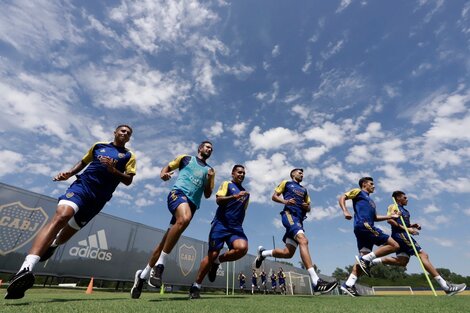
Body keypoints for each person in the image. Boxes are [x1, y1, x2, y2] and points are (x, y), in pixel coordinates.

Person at [5, 125, 136, 300]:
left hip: (98, 199)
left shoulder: (129, 156)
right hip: (82, 187)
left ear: (129, 138)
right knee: (62, 215)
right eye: (122, 131)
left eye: (128, 133)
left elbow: (128, 181)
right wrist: (69, 173)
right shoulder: (99, 146)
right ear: (115, 132)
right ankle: (25, 269)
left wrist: (114, 171)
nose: (125, 134)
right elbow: (83, 162)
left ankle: (53, 245)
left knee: (66, 233)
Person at [131, 141, 215, 299]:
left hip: (192, 204)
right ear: (200, 148)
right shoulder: (185, 158)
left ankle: (142, 276)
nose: (209, 149)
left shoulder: (210, 170)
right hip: (178, 194)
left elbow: (208, 194)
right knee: (185, 218)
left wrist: (209, 180)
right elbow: (167, 167)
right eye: (207, 147)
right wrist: (163, 174)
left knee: (165, 242)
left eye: (211, 149)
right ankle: (160, 265)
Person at [255, 168, 338, 294]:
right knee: (303, 240)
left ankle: (263, 253)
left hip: (299, 221)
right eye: (299, 172)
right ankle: (316, 281)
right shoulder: (286, 183)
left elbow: (309, 207)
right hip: (289, 215)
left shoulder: (304, 190)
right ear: (293, 174)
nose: (302, 174)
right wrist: (285, 201)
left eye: (302, 173)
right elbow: (274, 196)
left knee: (287, 253)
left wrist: (307, 207)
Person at [370, 190, 466, 296]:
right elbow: (390, 221)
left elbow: (402, 222)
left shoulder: (405, 211)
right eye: (405, 197)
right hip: (401, 235)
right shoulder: (393, 206)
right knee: (423, 255)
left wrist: (412, 225)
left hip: (403, 235)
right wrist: (408, 229)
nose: (407, 199)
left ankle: (374, 261)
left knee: (402, 262)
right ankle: (446, 286)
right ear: (398, 198)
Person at [188, 165, 250, 299]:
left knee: (242, 248)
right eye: (239, 172)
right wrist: (234, 196)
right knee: (212, 253)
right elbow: (218, 200)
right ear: (233, 173)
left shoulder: (246, 193)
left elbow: (243, 210)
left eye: (243, 173)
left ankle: (217, 262)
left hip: (236, 228)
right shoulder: (227, 184)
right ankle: (196, 286)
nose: (241, 175)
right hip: (220, 225)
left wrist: (238, 223)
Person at [339, 177, 401, 297]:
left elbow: (376, 217)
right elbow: (343, 197)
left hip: (366, 227)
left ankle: (348, 284)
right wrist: (345, 210)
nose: (374, 186)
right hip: (364, 225)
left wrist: (391, 217)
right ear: (364, 184)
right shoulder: (358, 192)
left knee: (363, 261)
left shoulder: (371, 201)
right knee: (395, 245)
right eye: (371, 184)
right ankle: (366, 259)